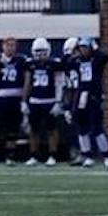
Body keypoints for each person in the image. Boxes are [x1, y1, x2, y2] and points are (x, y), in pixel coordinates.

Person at [65, 36, 108, 168]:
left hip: (93, 95)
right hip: (81, 96)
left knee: (97, 128)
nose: (83, 50)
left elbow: (105, 56)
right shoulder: (77, 60)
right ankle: (87, 155)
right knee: (82, 128)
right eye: (81, 47)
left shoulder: (96, 59)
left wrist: (95, 48)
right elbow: (65, 63)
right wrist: (69, 51)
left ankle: (106, 156)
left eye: (85, 47)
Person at [24, 37, 63, 165]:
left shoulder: (54, 63)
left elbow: (59, 83)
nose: (40, 54)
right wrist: (24, 101)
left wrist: (58, 102)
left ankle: (52, 155)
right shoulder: (30, 64)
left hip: (49, 100)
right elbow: (27, 83)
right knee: (33, 130)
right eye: (38, 51)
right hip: (34, 100)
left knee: (51, 129)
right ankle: (33, 156)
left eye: (43, 51)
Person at [0, 37, 26, 164]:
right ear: (3, 46)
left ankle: (10, 156)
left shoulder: (21, 60)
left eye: (13, 45)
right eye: (8, 45)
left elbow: (26, 79)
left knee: (12, 129)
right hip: (0, 97)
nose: (10, 48)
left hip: (15, 97)